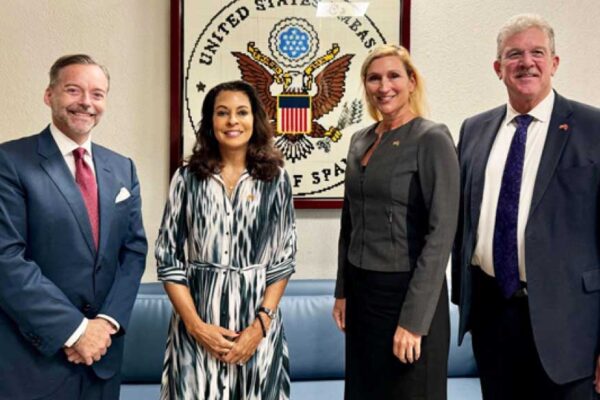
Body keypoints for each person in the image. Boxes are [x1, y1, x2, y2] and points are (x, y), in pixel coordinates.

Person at [452, 13, 600, 400]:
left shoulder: (593, 128)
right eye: (514, 54)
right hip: (492, 317)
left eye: (537, 52)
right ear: (498, 68)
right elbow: (463, 223)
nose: (526, 62)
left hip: (571, 330)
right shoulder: (474, 130)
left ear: (554, 63)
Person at [0, 54, 147, 399]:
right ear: (49, 95)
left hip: (103, 358)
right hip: (34, 358)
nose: (86, 102)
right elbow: (6, 258)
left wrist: (106, 324)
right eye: (73, 90)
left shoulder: (122, 168)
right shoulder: (9, 161)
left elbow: (133, 252)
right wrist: (76, 330)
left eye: (97, 94)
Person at [332, 44, 459, 399]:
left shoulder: (432, 138)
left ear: (412, 82)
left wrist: (414, 322)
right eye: (374, 78)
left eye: (393, 76)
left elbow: (442, 233)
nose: (383, 86)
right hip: (362, 293)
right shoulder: (361, 140)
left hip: (407, 294)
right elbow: (350, 221)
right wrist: (343, 290)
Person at [155, 80, 297, 400]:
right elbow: (168, 259)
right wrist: (196, 327)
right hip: (196, 324)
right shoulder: (187, 178)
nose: (233, 121)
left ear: (255, 120)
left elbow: (283, 260)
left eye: (242, 112)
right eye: (222, 113)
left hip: (257, 325)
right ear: (210, 123)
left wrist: (259, 328)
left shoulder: (277, 179)